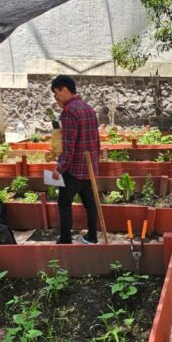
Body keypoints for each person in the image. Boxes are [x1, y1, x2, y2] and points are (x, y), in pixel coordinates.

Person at [51, 75, 101, 245]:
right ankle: (92, 236)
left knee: (64, 202)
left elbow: (68, 146)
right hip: (89, 167)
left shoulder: (69, 112)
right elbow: (96, 141)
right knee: (90, 203)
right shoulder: (88, 109)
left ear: (65, 90)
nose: (56, 97)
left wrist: (59, 167)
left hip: (74, 169)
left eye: (56, 93)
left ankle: (65, 239)